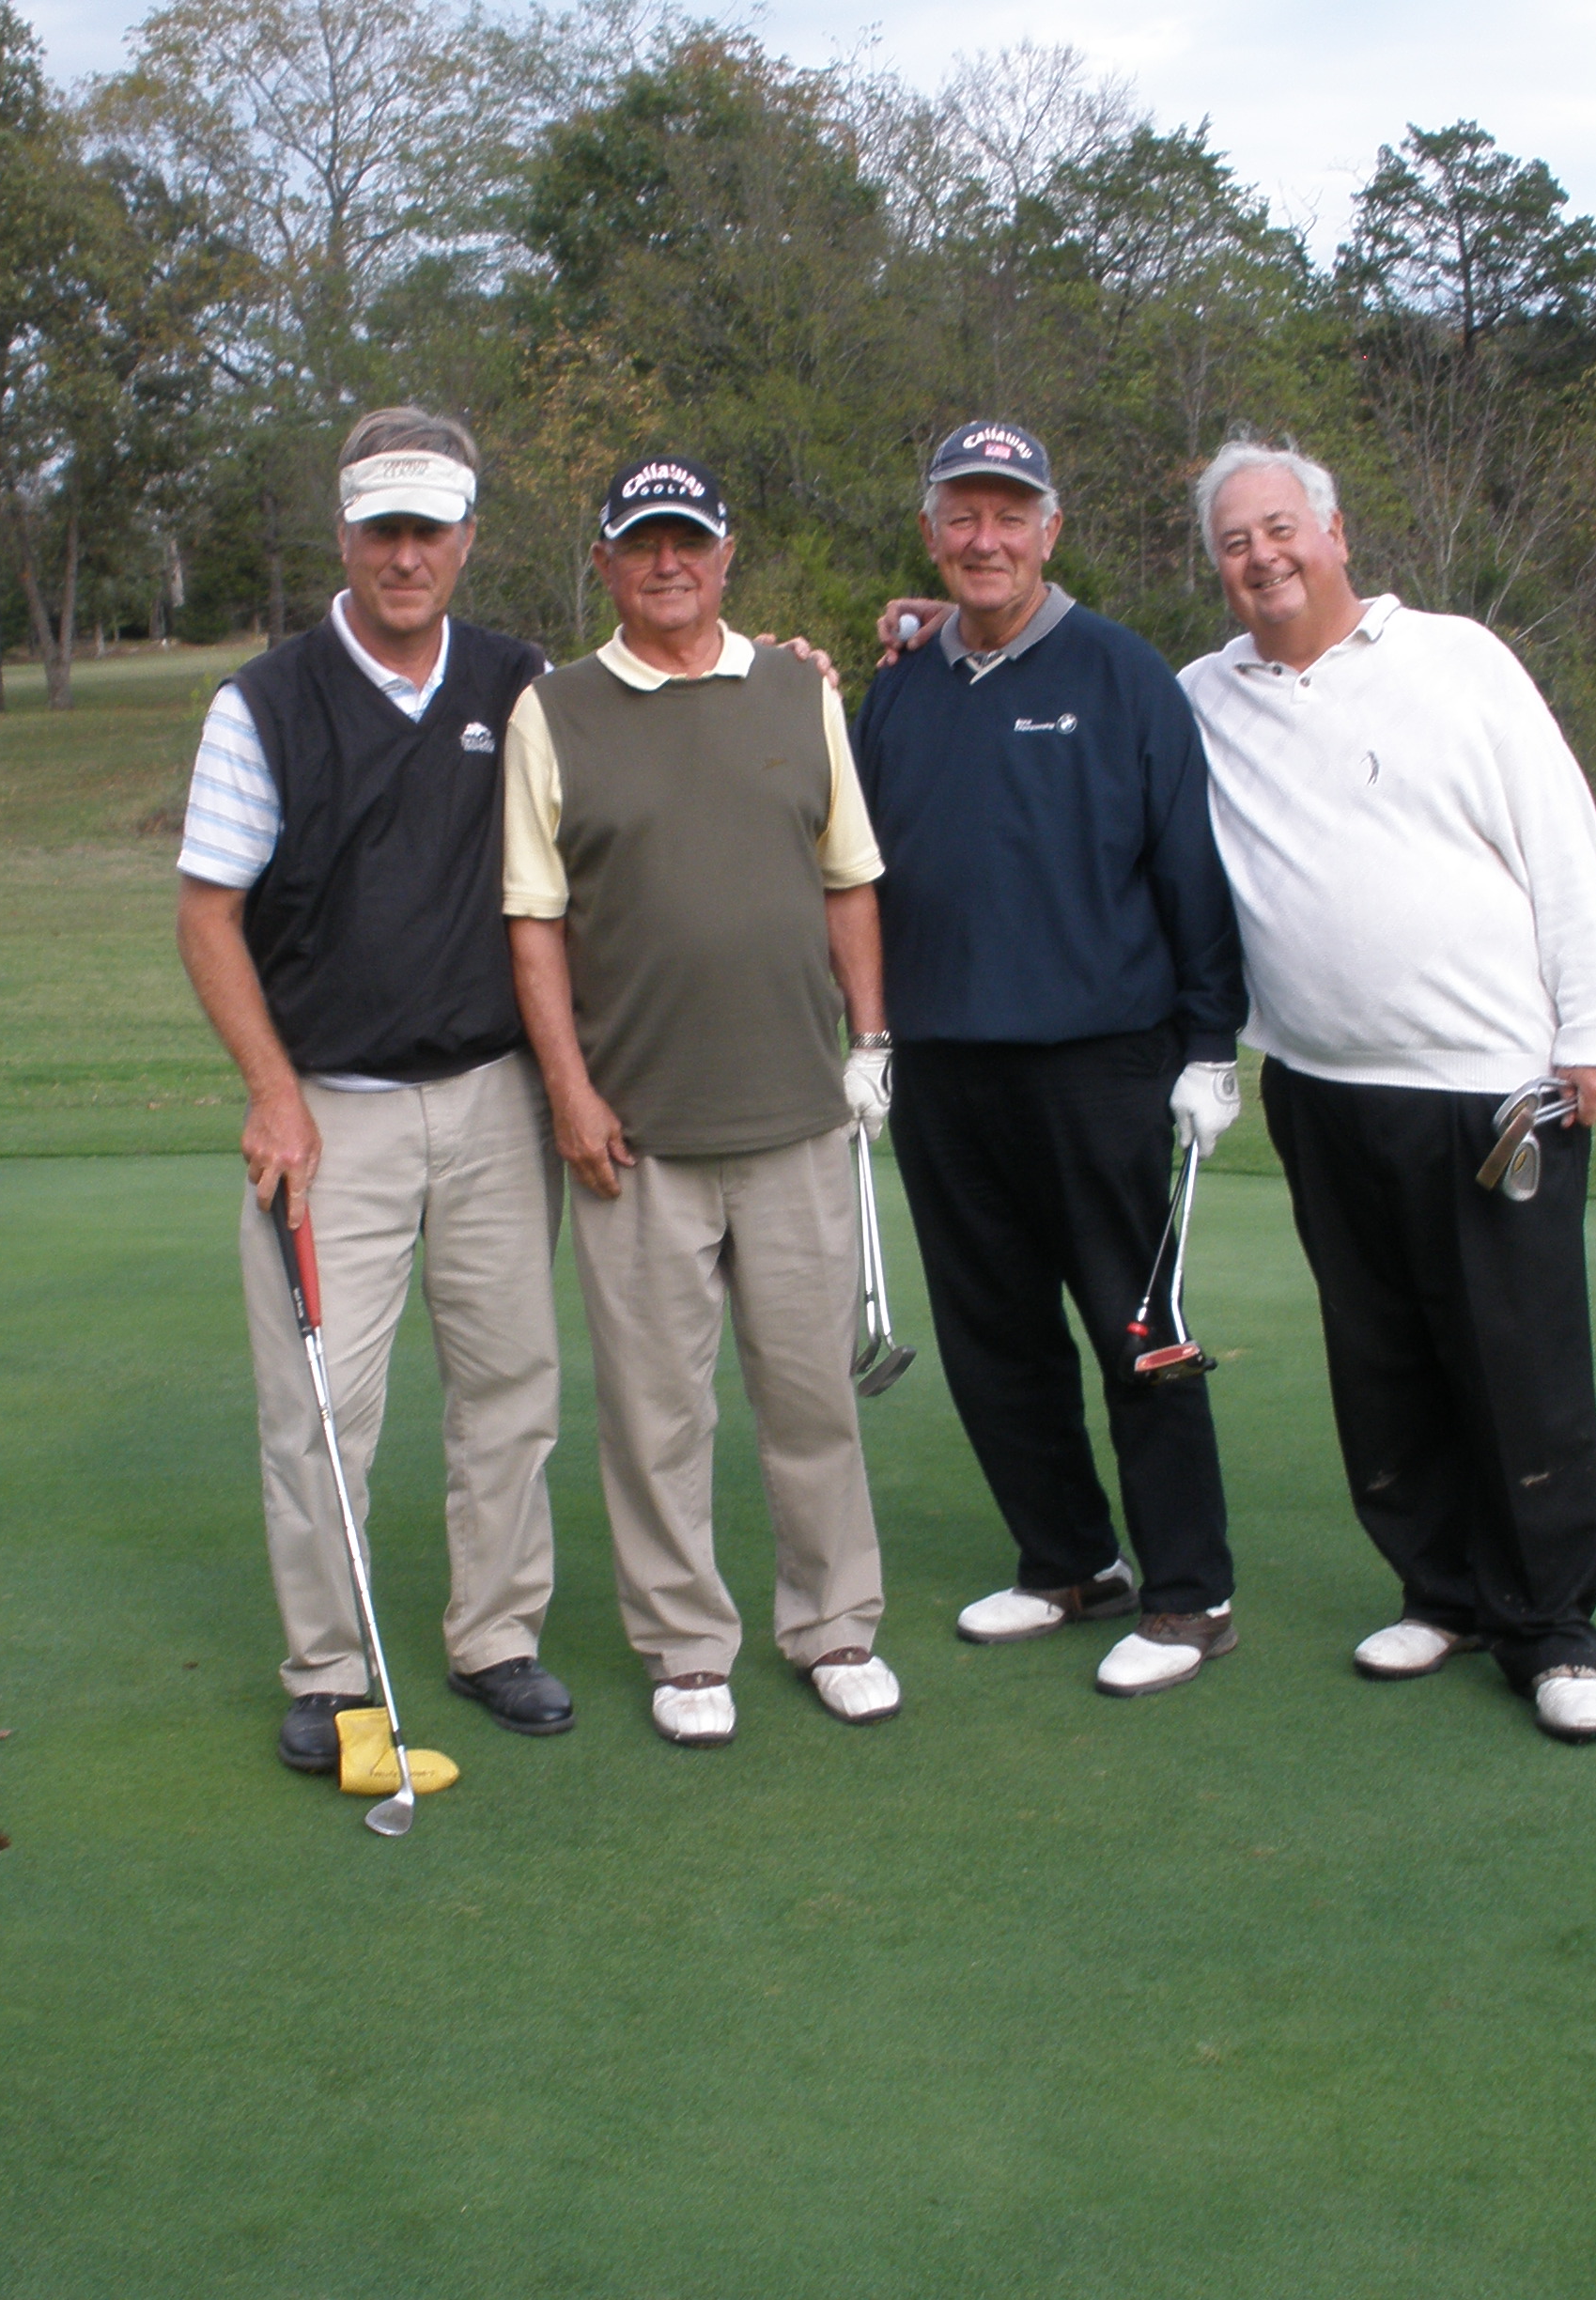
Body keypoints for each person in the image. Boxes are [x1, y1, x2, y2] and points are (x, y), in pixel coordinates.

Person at [1179, 439, 1596, 1744]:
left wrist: (1592, 1030)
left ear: (1333, 532)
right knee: (1381, 1360)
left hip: (1493, 1087)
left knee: (1520, 1369)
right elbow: (1084, 701)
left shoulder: (1459, 657)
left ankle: (1549, 1630)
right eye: (1233, 543)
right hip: (1320, 1087)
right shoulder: (1203, 696)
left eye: (1279, 529)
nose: (1261, 558)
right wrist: (931, 625)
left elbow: (1562, 837)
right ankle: (1440, 1592)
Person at [175, 405, 580, 1770]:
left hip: (493, 1098)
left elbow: (644, 753)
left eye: (430, 530)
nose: (405, 556)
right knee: (320, 1406)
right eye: (381, 530)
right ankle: (331, 1672)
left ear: (468, 539)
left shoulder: (523, 683)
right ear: (343, 536)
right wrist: (270, 1090)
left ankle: (495, 1638)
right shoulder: (267, 702)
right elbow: (208, 914)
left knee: (511, 1381)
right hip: (326, 1110)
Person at [501, 454, 900, 1748]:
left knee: (809, 1397)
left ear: (725, 555)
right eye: (640, 544)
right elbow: (536, 923)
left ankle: (834, 1623)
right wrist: (569, 1090)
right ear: (606, 563)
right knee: (657, 1410)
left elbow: (849, 879)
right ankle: (685, 1648)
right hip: (637, 1134)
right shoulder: (552, 710)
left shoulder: (800, 687)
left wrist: (872, 1039)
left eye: (689, 541)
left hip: (793, 1114)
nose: (666, 563)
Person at [855, 421, 1248, 1698]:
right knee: (992, 1336)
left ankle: (1192, 1594)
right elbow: (858, 872)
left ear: (1050, 531)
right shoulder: (902, 682)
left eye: (1009, 515)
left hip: (1102, 1065)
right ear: (932, 533)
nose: (985, 538)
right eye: (962, 515)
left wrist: (1208, 1044)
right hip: (946, 1069)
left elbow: (1190, 874)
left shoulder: (1125, 676)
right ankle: (1071, 1561)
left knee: (1141, 1333)